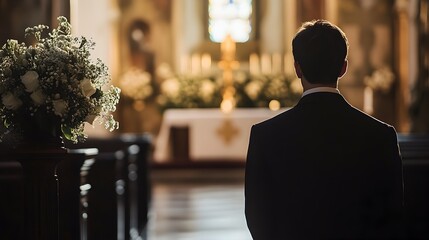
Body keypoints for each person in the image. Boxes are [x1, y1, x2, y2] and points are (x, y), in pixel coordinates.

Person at [245, 19, 404, 239]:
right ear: (343, 68)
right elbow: (392, 217)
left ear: (297, 68)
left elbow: (257, 217)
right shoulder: (381, 135)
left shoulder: (265, 136)